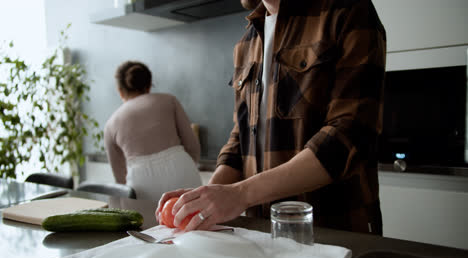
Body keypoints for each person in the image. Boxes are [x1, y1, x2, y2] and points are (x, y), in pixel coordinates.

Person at [156, 0, 386, 235]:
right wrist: (204, 198)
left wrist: (240, 194)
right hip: (263, 232)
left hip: (334, 229)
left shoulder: (347, 10)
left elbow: (349, 135)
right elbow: (240, 139)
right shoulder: (247, 41)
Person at [104, 61, 201, 201]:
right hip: (182, 171)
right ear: (149, 85)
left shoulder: (110, 124)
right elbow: (193, 146)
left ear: (120, 90)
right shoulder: (169, 100)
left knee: (147, 223)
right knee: (192, 221)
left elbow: (120, 179)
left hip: (142, 184)